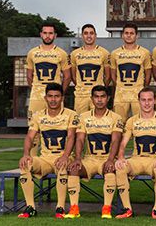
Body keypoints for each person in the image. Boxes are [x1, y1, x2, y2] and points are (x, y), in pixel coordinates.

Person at [17, 82, 78, 219]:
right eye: (50, 96)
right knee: (25, 165)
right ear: (45, 98)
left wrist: (65, 156)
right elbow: (29, 137)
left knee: (62, 166)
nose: (53, 99)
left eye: (57, 96)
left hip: (64, 157)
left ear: (62, 98)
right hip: (45, 159)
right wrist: (26, 155)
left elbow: (71, 137)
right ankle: (30, 207)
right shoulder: (38, 116)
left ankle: (60, 208)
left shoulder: (71, 115)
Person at [65, 85, 124, 219]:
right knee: (74, 169)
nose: (99, 100)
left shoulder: (116, 118)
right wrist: (78, 158)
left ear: (108, 98)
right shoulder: (84, 117)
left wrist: (110, 159)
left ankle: (106, 208)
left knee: (110, 170)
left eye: (102, 96)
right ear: (92, 99)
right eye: (96, 97)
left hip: (106, 159)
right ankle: (74, 208)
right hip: (89, 159)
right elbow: (79, 139)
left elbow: (115, 140)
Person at [114, 87, 156, 219]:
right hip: (136, 160)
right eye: (143, 100)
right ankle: (127, 209)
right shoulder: (132, 121)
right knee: (120, 167)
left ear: (155, 101)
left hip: (154, 160)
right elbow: (123, 143)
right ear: (139, 102)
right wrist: (121, 157)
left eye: (150, 100)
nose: (146, 103)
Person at [25, 23, 70, 118]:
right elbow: (29, 76)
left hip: (55, 97)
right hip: (36, 97)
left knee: (57, 126)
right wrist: (35, 89)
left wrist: (60, 93)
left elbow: (67, 77)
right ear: (41, 34)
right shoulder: (32, 53)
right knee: (34, 126)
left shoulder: (62, 53)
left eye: (50, 33)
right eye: (45, 33)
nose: (47, 36)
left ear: (55, 35)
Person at [109, 23, 152, 121]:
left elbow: (148, 74)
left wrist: (142, 88)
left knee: (140, 122)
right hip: (121, 94)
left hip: (137, 93)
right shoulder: (115, 53)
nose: (129, 35)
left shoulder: (144, 53)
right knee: (119, 123)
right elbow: (113, 74)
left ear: (137, 35)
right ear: (122, 35)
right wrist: (120, 86)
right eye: (126, 33)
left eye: (131, 33)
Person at [69, 24, 110, 114]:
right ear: (82, 36)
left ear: (95, 35)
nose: (89, 36)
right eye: (86, 33)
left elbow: (107, 76)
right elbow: (73, 75)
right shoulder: (75, 54)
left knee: (97, 122)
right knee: (80, 123)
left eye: (91, 33)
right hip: (81, 95)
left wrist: (101, 88)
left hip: (97, 95)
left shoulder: (104, 53)